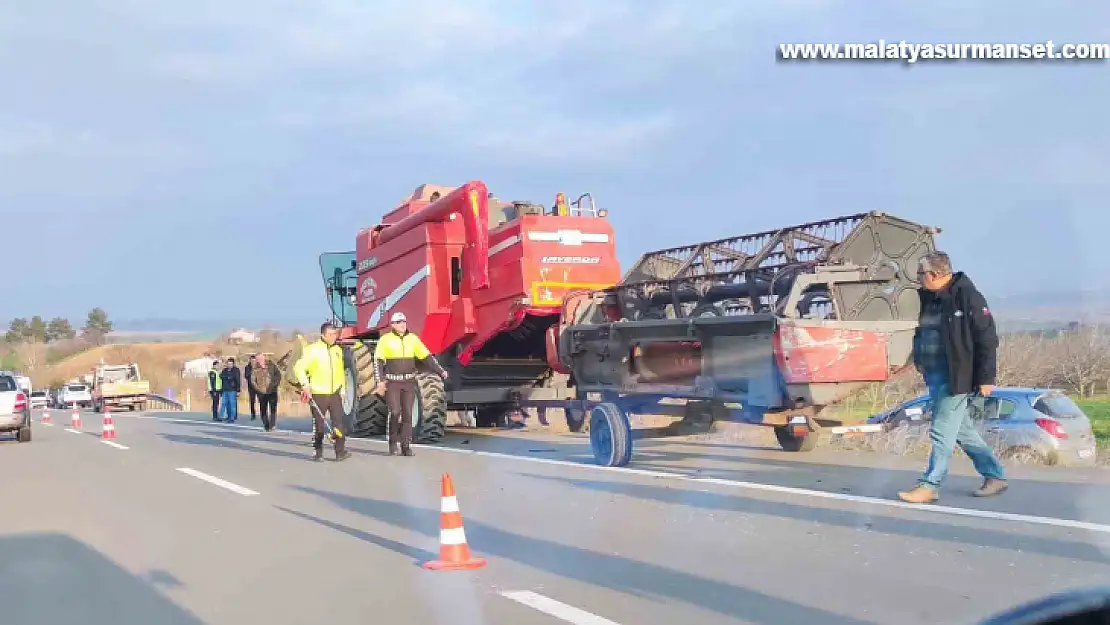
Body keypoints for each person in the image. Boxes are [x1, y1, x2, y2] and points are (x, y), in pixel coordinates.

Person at [898, 251, 1008, 504]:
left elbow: (987, 339)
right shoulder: (930, 298)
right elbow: (923, 334)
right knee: (961, 431)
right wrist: (914, 361)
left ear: (934, 274)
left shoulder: (967, 297)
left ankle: (930, 484)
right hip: (935, 374)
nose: (918, 279)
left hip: (957, 376)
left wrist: (987, 377)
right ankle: (995, 475)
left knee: (940, 431)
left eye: (920, 273)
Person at [373, 312, 448, 456]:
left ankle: (406, 446)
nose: (403, 324)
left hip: (408, 382)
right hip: (393, 382)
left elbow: (427, 357)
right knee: (395, 412)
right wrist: (380, 381)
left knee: (407, 414)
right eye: (399, 322)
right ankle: (393, 442)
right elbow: (378, 361)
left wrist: (440, 371)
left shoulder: (413, 339)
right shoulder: (385, 340)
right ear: (393, 325)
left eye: (404, 321)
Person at [293, 322, 351, 462]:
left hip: (335, 393)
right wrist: (305, 385)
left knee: (339, 423)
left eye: (335, 334)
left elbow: (340, 372)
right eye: (330, 334)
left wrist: (342, 389)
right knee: (319, 424)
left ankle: (340, 452)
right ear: (323, 335)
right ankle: (318, 452)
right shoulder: (312, 350)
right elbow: (298, 368)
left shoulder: (337, 350)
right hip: (318, 393)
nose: (334, 337)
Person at [250, 353, 281, 432]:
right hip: (261, 392)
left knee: (273, 409)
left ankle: (272, 425)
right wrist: (258, 389)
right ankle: (266, 425)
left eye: (260, 358)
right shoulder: (255, 369)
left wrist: (274, 385)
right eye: (258, 359)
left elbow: (278, 375)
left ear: (263, 358)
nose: (259, 360)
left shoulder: (271, 365)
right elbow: (253, 381)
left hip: (272, 390)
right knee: (263, 409)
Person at [219, 357, 242, 424]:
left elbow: (237, 380)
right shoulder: (225, 370)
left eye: (230, 364)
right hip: (225, 389)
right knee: (224, 403)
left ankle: (232, 418)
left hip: (232, 390)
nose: (229, 365)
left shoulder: (236, 370)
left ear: (233, 364)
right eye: (228, 364)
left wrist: (238, 390)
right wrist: (228, 377)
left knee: (232, 404)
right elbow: (221, 376)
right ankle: (222, 416)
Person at [244, 355, 258, 421]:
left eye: (254, 361)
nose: (253, 362)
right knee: (252, 401)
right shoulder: (247, 367)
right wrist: (252, 372)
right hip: (251, 387)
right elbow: (246, 376)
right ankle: (253, 414)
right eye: (252, 361)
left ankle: (263, 413)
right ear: (250, 360)